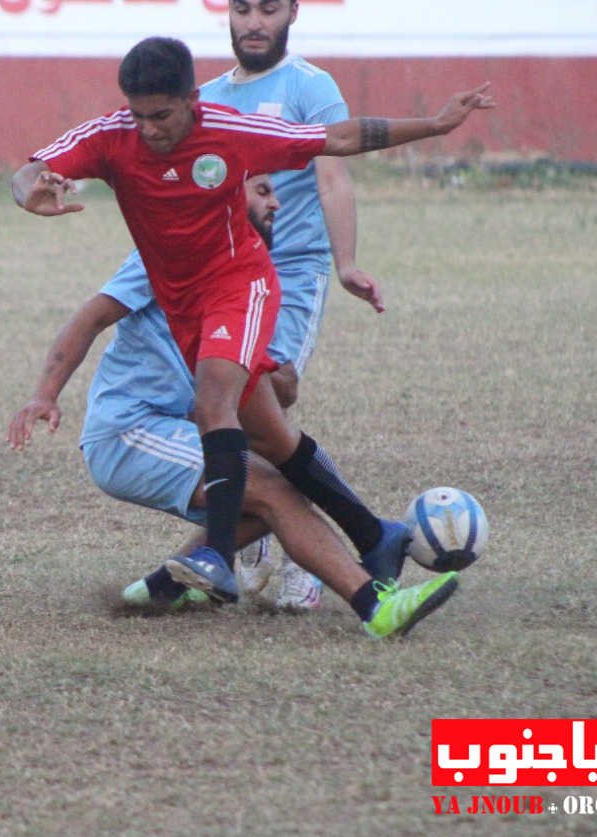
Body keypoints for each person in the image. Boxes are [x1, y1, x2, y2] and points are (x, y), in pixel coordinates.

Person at [11, 36, 494, 636]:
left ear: (192, 99)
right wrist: (30, 193)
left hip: (240, 285)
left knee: (216, 402)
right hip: (190, 314)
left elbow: (337, 138)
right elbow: (31, 167)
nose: (149, 129)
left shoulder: (230, 131)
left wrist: (435, 125)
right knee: (273, 442)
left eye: (161, 115)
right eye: (138, 114)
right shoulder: (113, 136)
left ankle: (229, 563)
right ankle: (375, 535)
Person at [8, 176, 435, 636]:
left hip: (175, 428)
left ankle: (164, 587)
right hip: (127, 432)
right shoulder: (171, 254)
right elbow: (92, 316)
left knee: (262, 494)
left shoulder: (251, 276)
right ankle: (376, 606)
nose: (277, 202)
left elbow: (270, 385)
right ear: (229, 196)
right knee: (270, 487)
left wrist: (273, 371)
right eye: (263, 190)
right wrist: (44, 395)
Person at [114, 0, 395, 608]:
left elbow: (333, 173)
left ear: (292, 12)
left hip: (288, 269)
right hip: (224, 271)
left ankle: (286, 552)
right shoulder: (203, 97)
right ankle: (253, 542)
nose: (254, 23)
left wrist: (345, 262)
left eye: (268, 9)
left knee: (276, 390)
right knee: (233, 405)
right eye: (242, 9)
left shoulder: (309, 85)